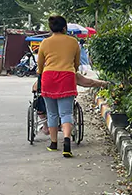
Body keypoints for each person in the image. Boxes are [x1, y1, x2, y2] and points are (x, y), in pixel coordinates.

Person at [36, 15, 80, 158]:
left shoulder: (45, 43)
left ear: (51, 28)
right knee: (66, 113)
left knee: (52, 113)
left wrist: (40, 74)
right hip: (67, 77)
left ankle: (54, 143)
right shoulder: (73, 42)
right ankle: (67, 140)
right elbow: (76, 63)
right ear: (64, 28)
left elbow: (40, 65)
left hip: (49, 77)